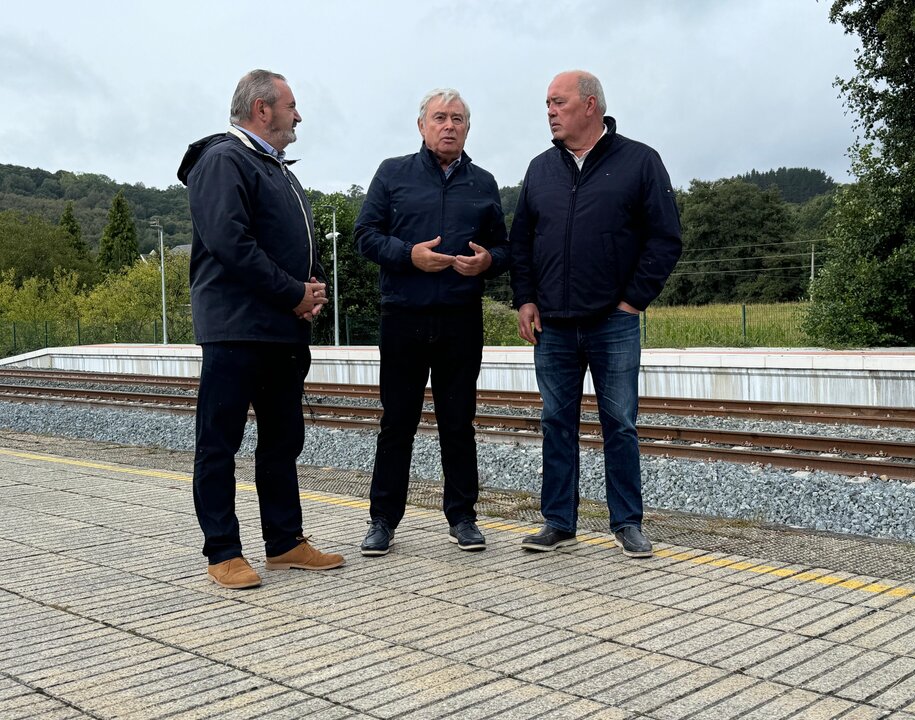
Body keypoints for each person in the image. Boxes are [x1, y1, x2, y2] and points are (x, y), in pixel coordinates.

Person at [177, 69, 345, 589]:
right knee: (219, 442)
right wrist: (291, 292)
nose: (299, 115)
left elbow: (280, 246)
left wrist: (308, 290)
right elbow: (232, 244)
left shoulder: (275, 167)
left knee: (281, 440)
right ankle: (223, 551)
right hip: (236, 330)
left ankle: (285, 542)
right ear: (262, 110)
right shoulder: (223, 160)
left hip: (280, 330)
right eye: (291, 105)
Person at [509, 71, 682, 558]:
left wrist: (633, 301)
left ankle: (626, 522)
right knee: (555, 422)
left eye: (557, 102)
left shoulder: (640, 161)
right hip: (554, 326)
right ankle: (559, 522)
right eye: (546, 103)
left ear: (589, 106)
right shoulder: (541, 168)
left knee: (620, 424)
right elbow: (520, 241)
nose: (549, 111)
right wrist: (525, 298)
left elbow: (665, 238)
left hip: (614, 321)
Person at [354, 88, 508, 556]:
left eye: (458, 119)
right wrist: (409, 256)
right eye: (440, 118)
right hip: (403, 316)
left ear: (467, 128)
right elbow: (365, 235)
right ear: (421, 125)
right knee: (396, 423)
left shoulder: (483, 183)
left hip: (461, 320)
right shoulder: (392, 173)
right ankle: (382, 521)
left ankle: (462, 517)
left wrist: (487, 262)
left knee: (458, 423)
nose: (449, 126)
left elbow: (504, 250)